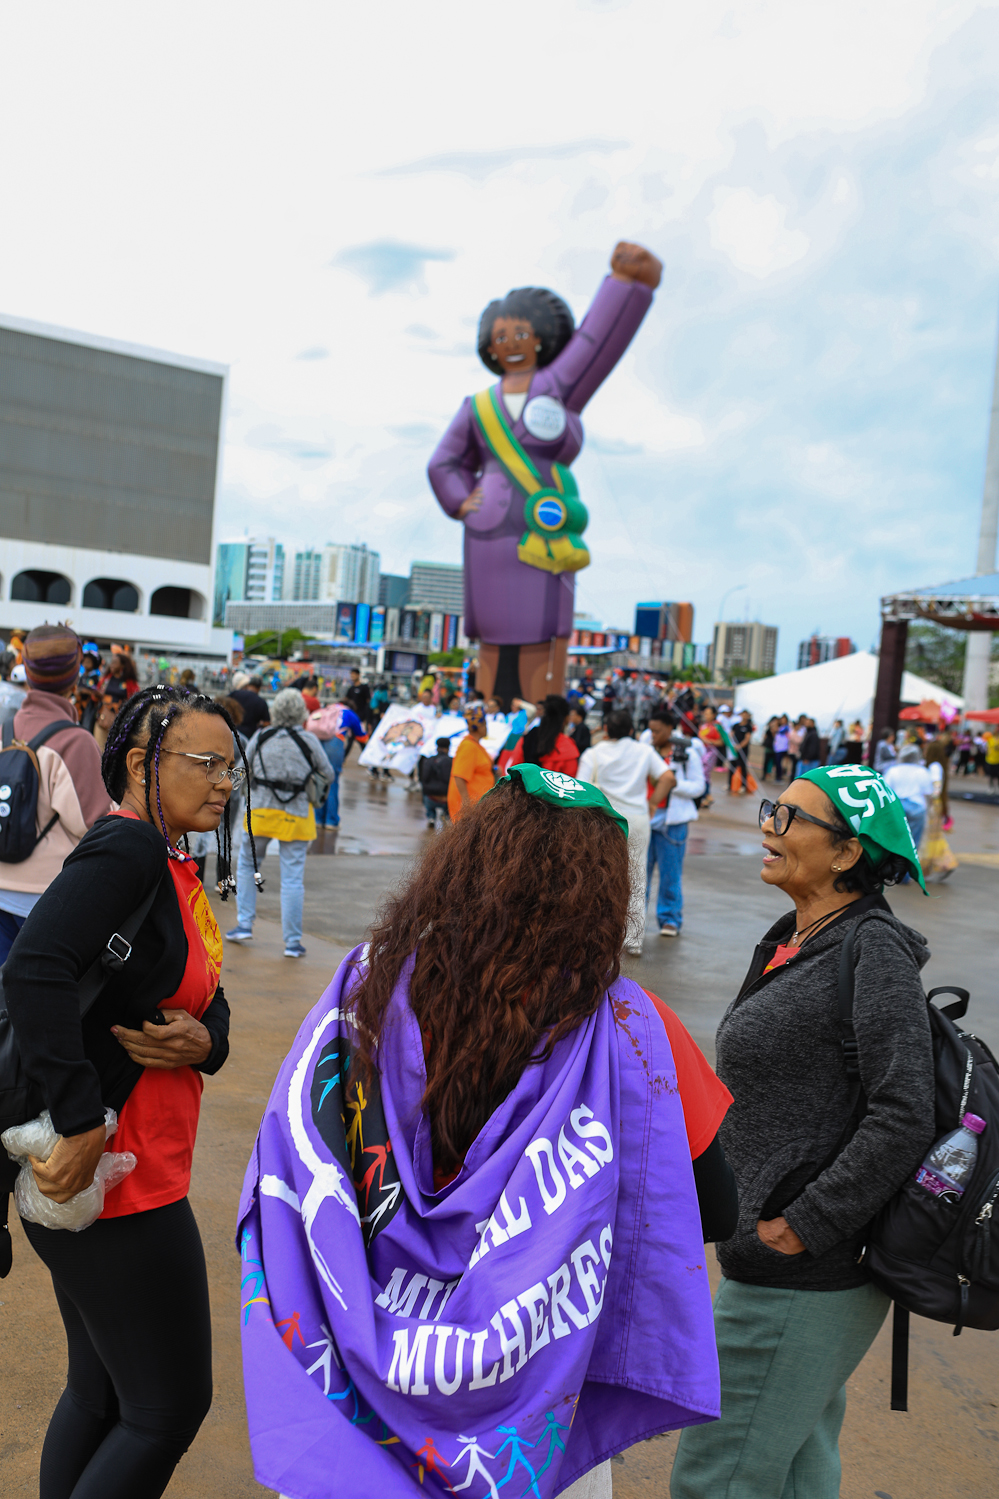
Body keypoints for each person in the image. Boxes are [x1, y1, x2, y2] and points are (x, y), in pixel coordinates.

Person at [238, 762, 736, 1499]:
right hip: (532, 1402)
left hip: (356, 1378)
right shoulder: (635, 1031)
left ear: (464, 861)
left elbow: (297, 1150)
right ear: (605, 892)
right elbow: (714, 1209)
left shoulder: (364, 987)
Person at [3, 684, 247, 1498]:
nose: (224, 782)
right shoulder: (128, 848)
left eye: (230, 767)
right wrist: (81, 1123)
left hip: (133, 1169)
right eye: (206, 763)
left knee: (103, 1394)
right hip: (115, 1178)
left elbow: (203, 985)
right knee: (166, 1409)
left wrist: (208, 1041)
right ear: (144, 763)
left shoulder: (171, 858)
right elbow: (33, 968)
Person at [671, 765, 935, 1499]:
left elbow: (904, 1108)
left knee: (714, 1478)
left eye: (789, 817)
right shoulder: (794, 935)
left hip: (803, 1274)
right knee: (795, 1472)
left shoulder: (872, 950)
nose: (767, 825)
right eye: (771, 809)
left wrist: (803, 1224)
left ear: (847, 853)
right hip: (778, 1264)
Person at [428, 243, 661, 706]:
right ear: (488, 345)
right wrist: (461, 500)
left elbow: (597, 341)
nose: (510, 343)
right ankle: (487, 710)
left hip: (542, 529)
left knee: (539, 628)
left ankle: (536, 713)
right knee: (491, 630)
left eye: (520, 332)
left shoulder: (559, 386)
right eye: (500, 335)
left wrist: (628, 284)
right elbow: (442, 461)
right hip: (487, 535)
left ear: (541, 337)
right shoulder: (477, 406)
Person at [0, 625, 111, 965]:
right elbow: (95, 825)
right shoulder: (74, 741)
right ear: (75, 676)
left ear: (27, 670)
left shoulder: (4, 729)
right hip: (45, 902)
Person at [227, 688, 331, 959]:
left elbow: (242, 771)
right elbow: (328, 773)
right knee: (292, 879)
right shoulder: (309, 741)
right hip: (296, 815)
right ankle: (292, 943)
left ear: (275, 711)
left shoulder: (262, 736)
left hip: (260, 812)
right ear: (301, 713)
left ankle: (244, 924)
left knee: (248, 865)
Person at [578, 710, 674, 956]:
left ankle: (596, 934)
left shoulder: (593, 754)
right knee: (637, 876)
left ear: (606, 729)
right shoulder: (644, 751)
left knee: (598, 873)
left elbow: (581, 789)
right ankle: (633, 939)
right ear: (631, 730)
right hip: (637, 819)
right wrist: (653, 803)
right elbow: (667, 777)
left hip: (604, 819)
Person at [645, 711, 706, 938]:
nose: (653, 735)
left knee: (670, 874)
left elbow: (699, 787)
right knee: (639, 874)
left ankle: (670, 919)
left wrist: (672, 783)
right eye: (651, 730)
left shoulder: (687, 753)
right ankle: (635, 920)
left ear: (671, 729)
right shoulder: (646, 748)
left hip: (673, 822)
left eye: (657, 731)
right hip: (646, 818)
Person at [883, 743, 936, 862]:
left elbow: (885, 791)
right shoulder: (922, 771)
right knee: (913, 841)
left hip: (896, 807)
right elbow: (928, 793)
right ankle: (907, 868)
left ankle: (892, 866)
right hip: (917, 808)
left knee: (894, 838)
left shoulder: (893, 770)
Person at [509, 693, 580, 776]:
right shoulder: (567, 747)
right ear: (567, 718)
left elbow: (514, 771)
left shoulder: (527, 739)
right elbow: (570, 780)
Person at [447, 703, 494, 821]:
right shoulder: (468, 746)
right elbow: (459, 776)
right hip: (469, 809)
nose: (487, 727)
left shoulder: (475, 745)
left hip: (475, 806)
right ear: (478, 727)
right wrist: (466, 806)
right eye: (485, 724)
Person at [418, 737, 453, 829]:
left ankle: (431, 817)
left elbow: (423, 778)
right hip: (447, 799)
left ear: (437, 747)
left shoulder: (429, 760)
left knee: (426, 794)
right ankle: (446, 815)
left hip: (430, 798)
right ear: (448, 748)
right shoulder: (452, 761)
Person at [91, 678, 129, 754]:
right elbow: (94, 698)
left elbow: (133, 701)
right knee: (98, 749)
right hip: (102, 720)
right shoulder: (106, 679)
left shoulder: (129, 682)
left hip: (119, 724)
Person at [771, 715, 789, 783]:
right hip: (777, 748)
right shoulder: (781, 727)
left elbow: (779, 731)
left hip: (782, 748)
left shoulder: (786, 727)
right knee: (777, 762)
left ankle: (779, 777)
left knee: (779, 762)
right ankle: (777, 776)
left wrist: (775, 725)